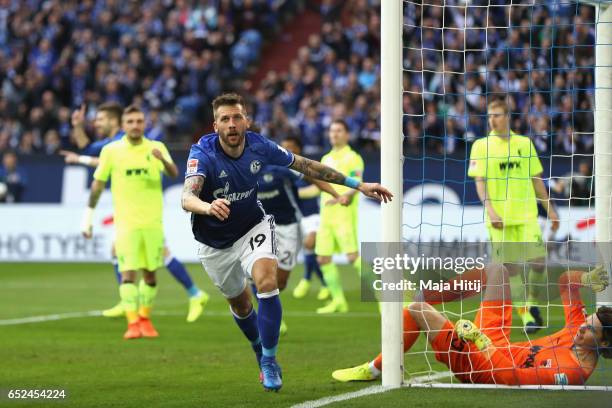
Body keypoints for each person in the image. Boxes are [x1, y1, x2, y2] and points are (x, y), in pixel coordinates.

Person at [181, 93, 392, 392]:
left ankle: (269, 359)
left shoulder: (259, 145)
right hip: (213, 242)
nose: (231, 124)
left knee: (267, 282)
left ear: (246, 121)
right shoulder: (202, 153)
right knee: (241, 305)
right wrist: (207, 207)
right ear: (215, 125)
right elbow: (187, 196)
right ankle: (259, 350)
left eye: (237, 117)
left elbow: (306, 166)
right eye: (225, 119)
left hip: (253, 226)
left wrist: (359, 185)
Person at [332, 264, 611, 385]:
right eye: (586, 321)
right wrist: (587, 279)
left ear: (605, 343)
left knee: (417, 311)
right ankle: (423, 293)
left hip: (483, 366)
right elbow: (566, 281)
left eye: (589, 329)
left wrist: (479, 341)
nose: (581, 327)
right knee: (496, 271)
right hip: (496, 345)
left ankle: (374, 369)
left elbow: (509, 377)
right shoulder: (578, 332)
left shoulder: (573, 372)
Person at [62, 102, 209, 322]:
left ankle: (193, 294)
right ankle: (131, 302)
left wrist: (79, 159)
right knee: (119, 253)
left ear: (114, 120)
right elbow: (89, 148)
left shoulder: (127, 139)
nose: (97, 122)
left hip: (144, 209)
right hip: (128, 208)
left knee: (157, 257)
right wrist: (77, 126)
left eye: (101, 119)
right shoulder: (111, 144)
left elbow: (94, 157)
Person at [81, 105, 178, 339]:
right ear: (123, 125)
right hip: (126, 224)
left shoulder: (157, 147)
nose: (135, 125)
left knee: (151, 274)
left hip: (153, 223)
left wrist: (163, 161)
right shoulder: (111, 151)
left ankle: (145, 319)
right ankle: (132, 323)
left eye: (139, 121)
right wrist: (88, 217)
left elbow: (174, 173)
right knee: (127, 274)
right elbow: (97, 185)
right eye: (131, 121)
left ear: (144, 124)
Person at [468, 99, 560, 333]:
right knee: (512, 269)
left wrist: (550, 210)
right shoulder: (480, 145)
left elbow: (536, 180)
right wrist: (490, 209)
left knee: (539, 263)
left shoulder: (524, 144)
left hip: (527, 214)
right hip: (499, 219)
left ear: (508, 117)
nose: (492, 120)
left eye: (497, 115)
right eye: (489, 116)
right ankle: (526, 315)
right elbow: (480, 182)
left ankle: (532, 301)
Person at [256, 139, 340, 334]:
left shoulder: (281, 168)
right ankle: (266, 315)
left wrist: (335, 193)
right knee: (262, 276)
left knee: (281, 281)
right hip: (261, 227)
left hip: (289, 227)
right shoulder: (246, 170)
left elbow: (312, 176)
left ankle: (305, 282)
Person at [314, 120, 366, 314]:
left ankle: (382, 295)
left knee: (352, 257)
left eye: (338, 130)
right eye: (332, 131)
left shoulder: (353, 157)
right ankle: (338, 301)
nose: (334, 134)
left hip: (344, 214)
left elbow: (358, 182)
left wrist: (346, 195)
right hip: (326, 215)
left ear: (347, 135)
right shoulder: (325, 158)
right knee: (323, 259)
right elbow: (319, 186)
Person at [281, 136, 330, 301]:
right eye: (284, 148)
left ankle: (307, 279)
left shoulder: (305, 167)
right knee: (309, 251)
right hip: (297, 218)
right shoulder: (282, 171)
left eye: (291, 147)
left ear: (298, 149)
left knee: (310, 243)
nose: (288, 151)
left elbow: (317, 189)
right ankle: (324, 284)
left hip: (313, 214)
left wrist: (295, 193)